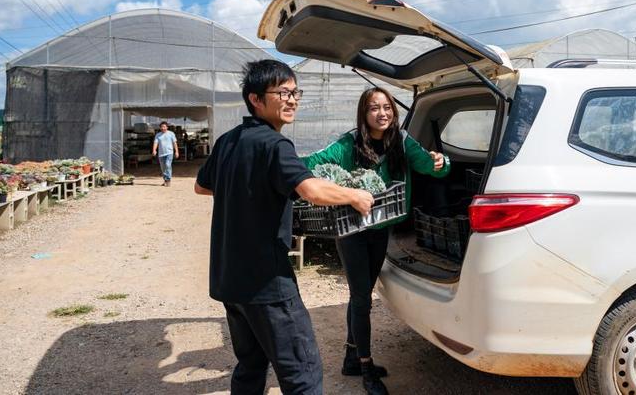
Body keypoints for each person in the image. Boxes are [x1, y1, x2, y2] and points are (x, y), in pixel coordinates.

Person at [194, 59, 375, 395]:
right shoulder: (275, 145)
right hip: (267, 283)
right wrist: (355, 195)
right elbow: (312, 191)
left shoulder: (229, 141)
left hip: (229, 280)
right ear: (256, 100)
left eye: (295, 93)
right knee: (302, 374)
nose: (292, 100)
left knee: (250, 366)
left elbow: (202, 186)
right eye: (282, 93)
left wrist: (247, 187)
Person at [303, 87, 450, 395]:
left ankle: (350, 358)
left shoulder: (402, 141)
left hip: (381, 226)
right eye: (374, 108)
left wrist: (442, 162)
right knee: (361, 298)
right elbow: (315, 162)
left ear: (393, 113)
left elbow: (429, 166)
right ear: (364, 113)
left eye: (387, 108)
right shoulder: (350, 143)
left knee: (363, 293)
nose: (381, 113)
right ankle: (366, 367)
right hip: (352, 230)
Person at [152, 121, 179, 186]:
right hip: (161, 154)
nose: (163, 128)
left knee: (167, 165)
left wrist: (177, 151)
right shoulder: (158, 135)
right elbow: (155, 143)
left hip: (169, 153)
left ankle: (168, 180)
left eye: (164, 127)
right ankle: (165, 180)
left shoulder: (171, 134)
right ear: (160, 128)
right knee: (163, 168)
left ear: (167, 127)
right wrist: (154, 150)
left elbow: (174, 143)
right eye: (162, 127)